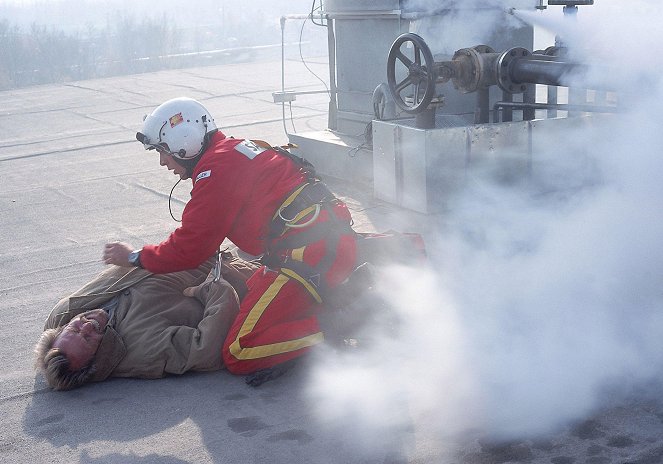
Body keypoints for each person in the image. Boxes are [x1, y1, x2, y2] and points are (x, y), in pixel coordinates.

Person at [103, 97, 425, 377]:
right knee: (254, 282)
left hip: (308, 256)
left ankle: (349, 319)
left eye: (163, 152)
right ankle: (396, 250)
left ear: (183, 142)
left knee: (240, 350)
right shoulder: (237, 149)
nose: (163, 162)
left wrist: (134, 257)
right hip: (328, 238)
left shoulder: (215, 172)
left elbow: (190, 248)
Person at [35, 252, 259, 390]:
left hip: (184, 247)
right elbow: (206, 350)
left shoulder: (63, 314)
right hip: (231, 270)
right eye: (88, 338)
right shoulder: (143, 350)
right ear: (96, 358)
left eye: (75, 328)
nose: (87, 325)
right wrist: (212, 288)